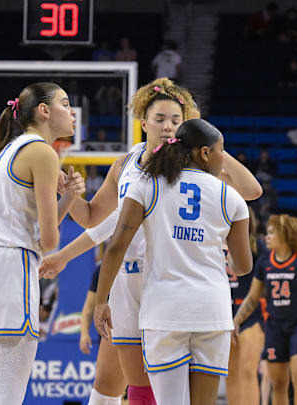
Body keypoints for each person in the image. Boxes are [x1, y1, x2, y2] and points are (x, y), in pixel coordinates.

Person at [39, 78, 261, 405]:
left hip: (170, 281)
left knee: (165, 390)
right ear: (143, 122)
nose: (168, 127)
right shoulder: (128, 163)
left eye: (176, 121)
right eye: (160, 120)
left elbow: (252, 191)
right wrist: (70, 196)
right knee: (125, 383)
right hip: (131, 277)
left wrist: (215, 148)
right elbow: (97, 221)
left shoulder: (196, 163)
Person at [93, 119, 253, 405]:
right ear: (204, 153)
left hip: (164, 310)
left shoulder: (147, 185)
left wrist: (101, 300)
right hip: (212, 311)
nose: (223, 158)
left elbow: (116, 245)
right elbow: (243, 267)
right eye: (221, 150)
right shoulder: (231, 197)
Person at [0, 82, 84, 405]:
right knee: (7, 396)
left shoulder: (5, 150)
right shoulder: (42, 152)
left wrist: (67, 199)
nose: (72, 112)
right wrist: (64, 201)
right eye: (65, 103)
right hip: (8, 268)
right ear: (43, 111)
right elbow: (49, 240)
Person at [234, 214, 297, 405]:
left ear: (286, 234)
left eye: (272, 232)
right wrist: (236, 321)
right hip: (274, 326)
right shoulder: (264, 261)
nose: (267, 236)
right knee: (278, 383)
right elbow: (253, 297)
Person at [226, 207, 266, 405]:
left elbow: (264, 286)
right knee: (230, 371)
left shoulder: (258, 247)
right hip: (223, 314)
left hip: (251, 314)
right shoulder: (214, 243)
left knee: (249, 369)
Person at [79, 267, 126, 404]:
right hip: (112, 331)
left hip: (136, 323)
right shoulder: (101, 269)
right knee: (111, 389)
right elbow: (89, 306)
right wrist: (83, 333)